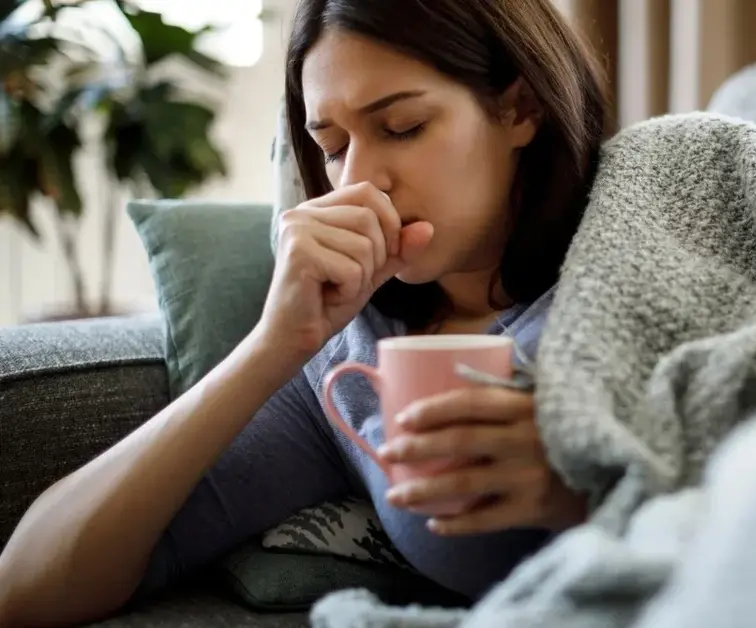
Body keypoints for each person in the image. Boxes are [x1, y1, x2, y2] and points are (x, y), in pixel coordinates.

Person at [0, 0, 609, 624]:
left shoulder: (642, 253)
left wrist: (593, 490)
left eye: (402, 127)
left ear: (521, 107)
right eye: (334, 146)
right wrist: (271, 346)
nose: (360, 182)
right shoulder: (349, 367)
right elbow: (23, 589)